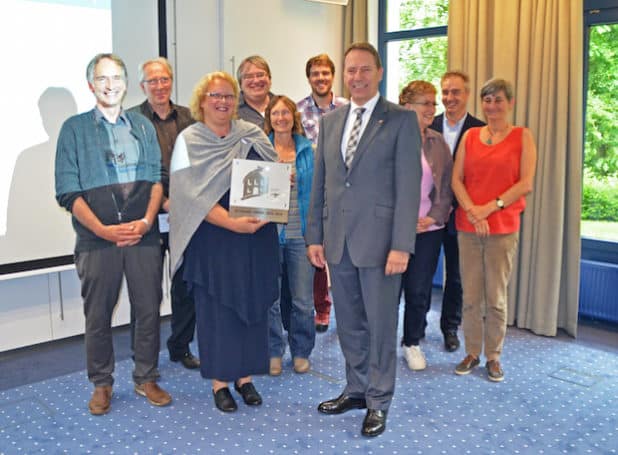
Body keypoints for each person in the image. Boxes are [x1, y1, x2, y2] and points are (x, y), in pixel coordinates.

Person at [305, 42, 422, 437]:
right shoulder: (332, 121)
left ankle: (379, 400)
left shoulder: (401, 120)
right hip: (337, 242)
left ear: (379, 72)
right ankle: (355, 389)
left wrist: (402, 245)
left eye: (364, 70)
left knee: (381, 325)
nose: (357, 77)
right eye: (350, 70)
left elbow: (409, 187)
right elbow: (321, 184)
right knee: (350, 323)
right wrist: (314, 236)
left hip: (381, 245)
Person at [55, 53, 172, 415]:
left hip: (143, 238)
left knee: (148, 310)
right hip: (95, 241)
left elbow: (155, 179)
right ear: (91, 85)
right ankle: (102, 383)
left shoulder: (142, 125)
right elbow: (68, 191)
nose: (110, 85)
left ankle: (146, 377)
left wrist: (147, 220)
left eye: (116, 77)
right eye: (102, 79)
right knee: (98, 315)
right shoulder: (73, 129)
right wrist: (104, 229)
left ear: (125, 82)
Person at [169, 72, 279, 413]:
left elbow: (270, 177)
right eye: (215, 96)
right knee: (217, 309)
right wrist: (231, 223)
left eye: (229, 96)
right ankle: (220, 383)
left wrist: (271, 199)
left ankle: (245, 378)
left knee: (252, 304)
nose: (223, 101)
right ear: (202, 101)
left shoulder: (252, 133)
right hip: (214, 238)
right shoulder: (189, 140)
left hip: (254, 237)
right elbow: (188, 195)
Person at [451, 78, 536, 382]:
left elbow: (525, 183)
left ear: (510, 103)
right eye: (487, 100)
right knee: (471, 295)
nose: (492, 106)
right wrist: (474, 212)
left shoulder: (522, 137)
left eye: (498, 100)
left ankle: (494, 356)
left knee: (495, 297)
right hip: (469, 226)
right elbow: (456, 179)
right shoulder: (471, 136)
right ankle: (472, 352)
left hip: (502, 228)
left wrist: (489, 208)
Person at [128, 57, 199, 370]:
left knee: (185, 284)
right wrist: (163, 201)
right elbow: (132, 170)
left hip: (185, 215)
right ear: (143, 86)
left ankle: (180, 347)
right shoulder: (130, 120)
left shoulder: (189, 117)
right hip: (147, 216)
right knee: (147, 292)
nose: (159, 86)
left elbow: (199, 163)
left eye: (164, 79)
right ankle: (143, 357)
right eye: (152, 81)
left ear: (171, 81)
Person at [398, 81, 453, 371]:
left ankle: (412, 342)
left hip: (429, 230)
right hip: (395, 230)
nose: (433, 109)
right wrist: (404, 221)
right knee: (389, 291)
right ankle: (379, 342)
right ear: (408, 107)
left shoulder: (437, 142)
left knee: (419, 291)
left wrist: (432, 217)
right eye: (426, 103)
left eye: (434, 103)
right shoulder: (389, 139)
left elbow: (446, 188)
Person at [429, 71, 485, 353]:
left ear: (466, 94)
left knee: (457, 276)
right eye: (446, 92)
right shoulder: (429, 124)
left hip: (461, 216)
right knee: (421, 272)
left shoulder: (479, 130)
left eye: (456, 92)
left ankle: (450, 328)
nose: (449, 98)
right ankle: (414, 327)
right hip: (428, 215)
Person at [264, 95, 316, 376]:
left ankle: (301, 351)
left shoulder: (308, 150)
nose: (280, 117)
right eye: (275, 113)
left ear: (293, 117)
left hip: (300, 234)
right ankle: (273, 351)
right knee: (270, 299)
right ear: (269, 118)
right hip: (267, 235)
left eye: (285, 113)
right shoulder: (260, 148)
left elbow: (319, 194)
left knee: (302, 301)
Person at [297, 53, 348, 334]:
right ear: (309, 78)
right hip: (311, 191)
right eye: (315, 74)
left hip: (343, 192)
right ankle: (322, 307)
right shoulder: (297, 110)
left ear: (332, 76)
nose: (320, 78)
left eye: (325, 73)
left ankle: (347, 307)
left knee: (342, 252)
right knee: (315, 250)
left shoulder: (347, 108)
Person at [236, 55, 274, 128]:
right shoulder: (231, 110)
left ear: (269, 78)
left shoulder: (284, 106)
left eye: (260, 75)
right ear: (240, 83)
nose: (256, 81)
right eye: (249, 76)